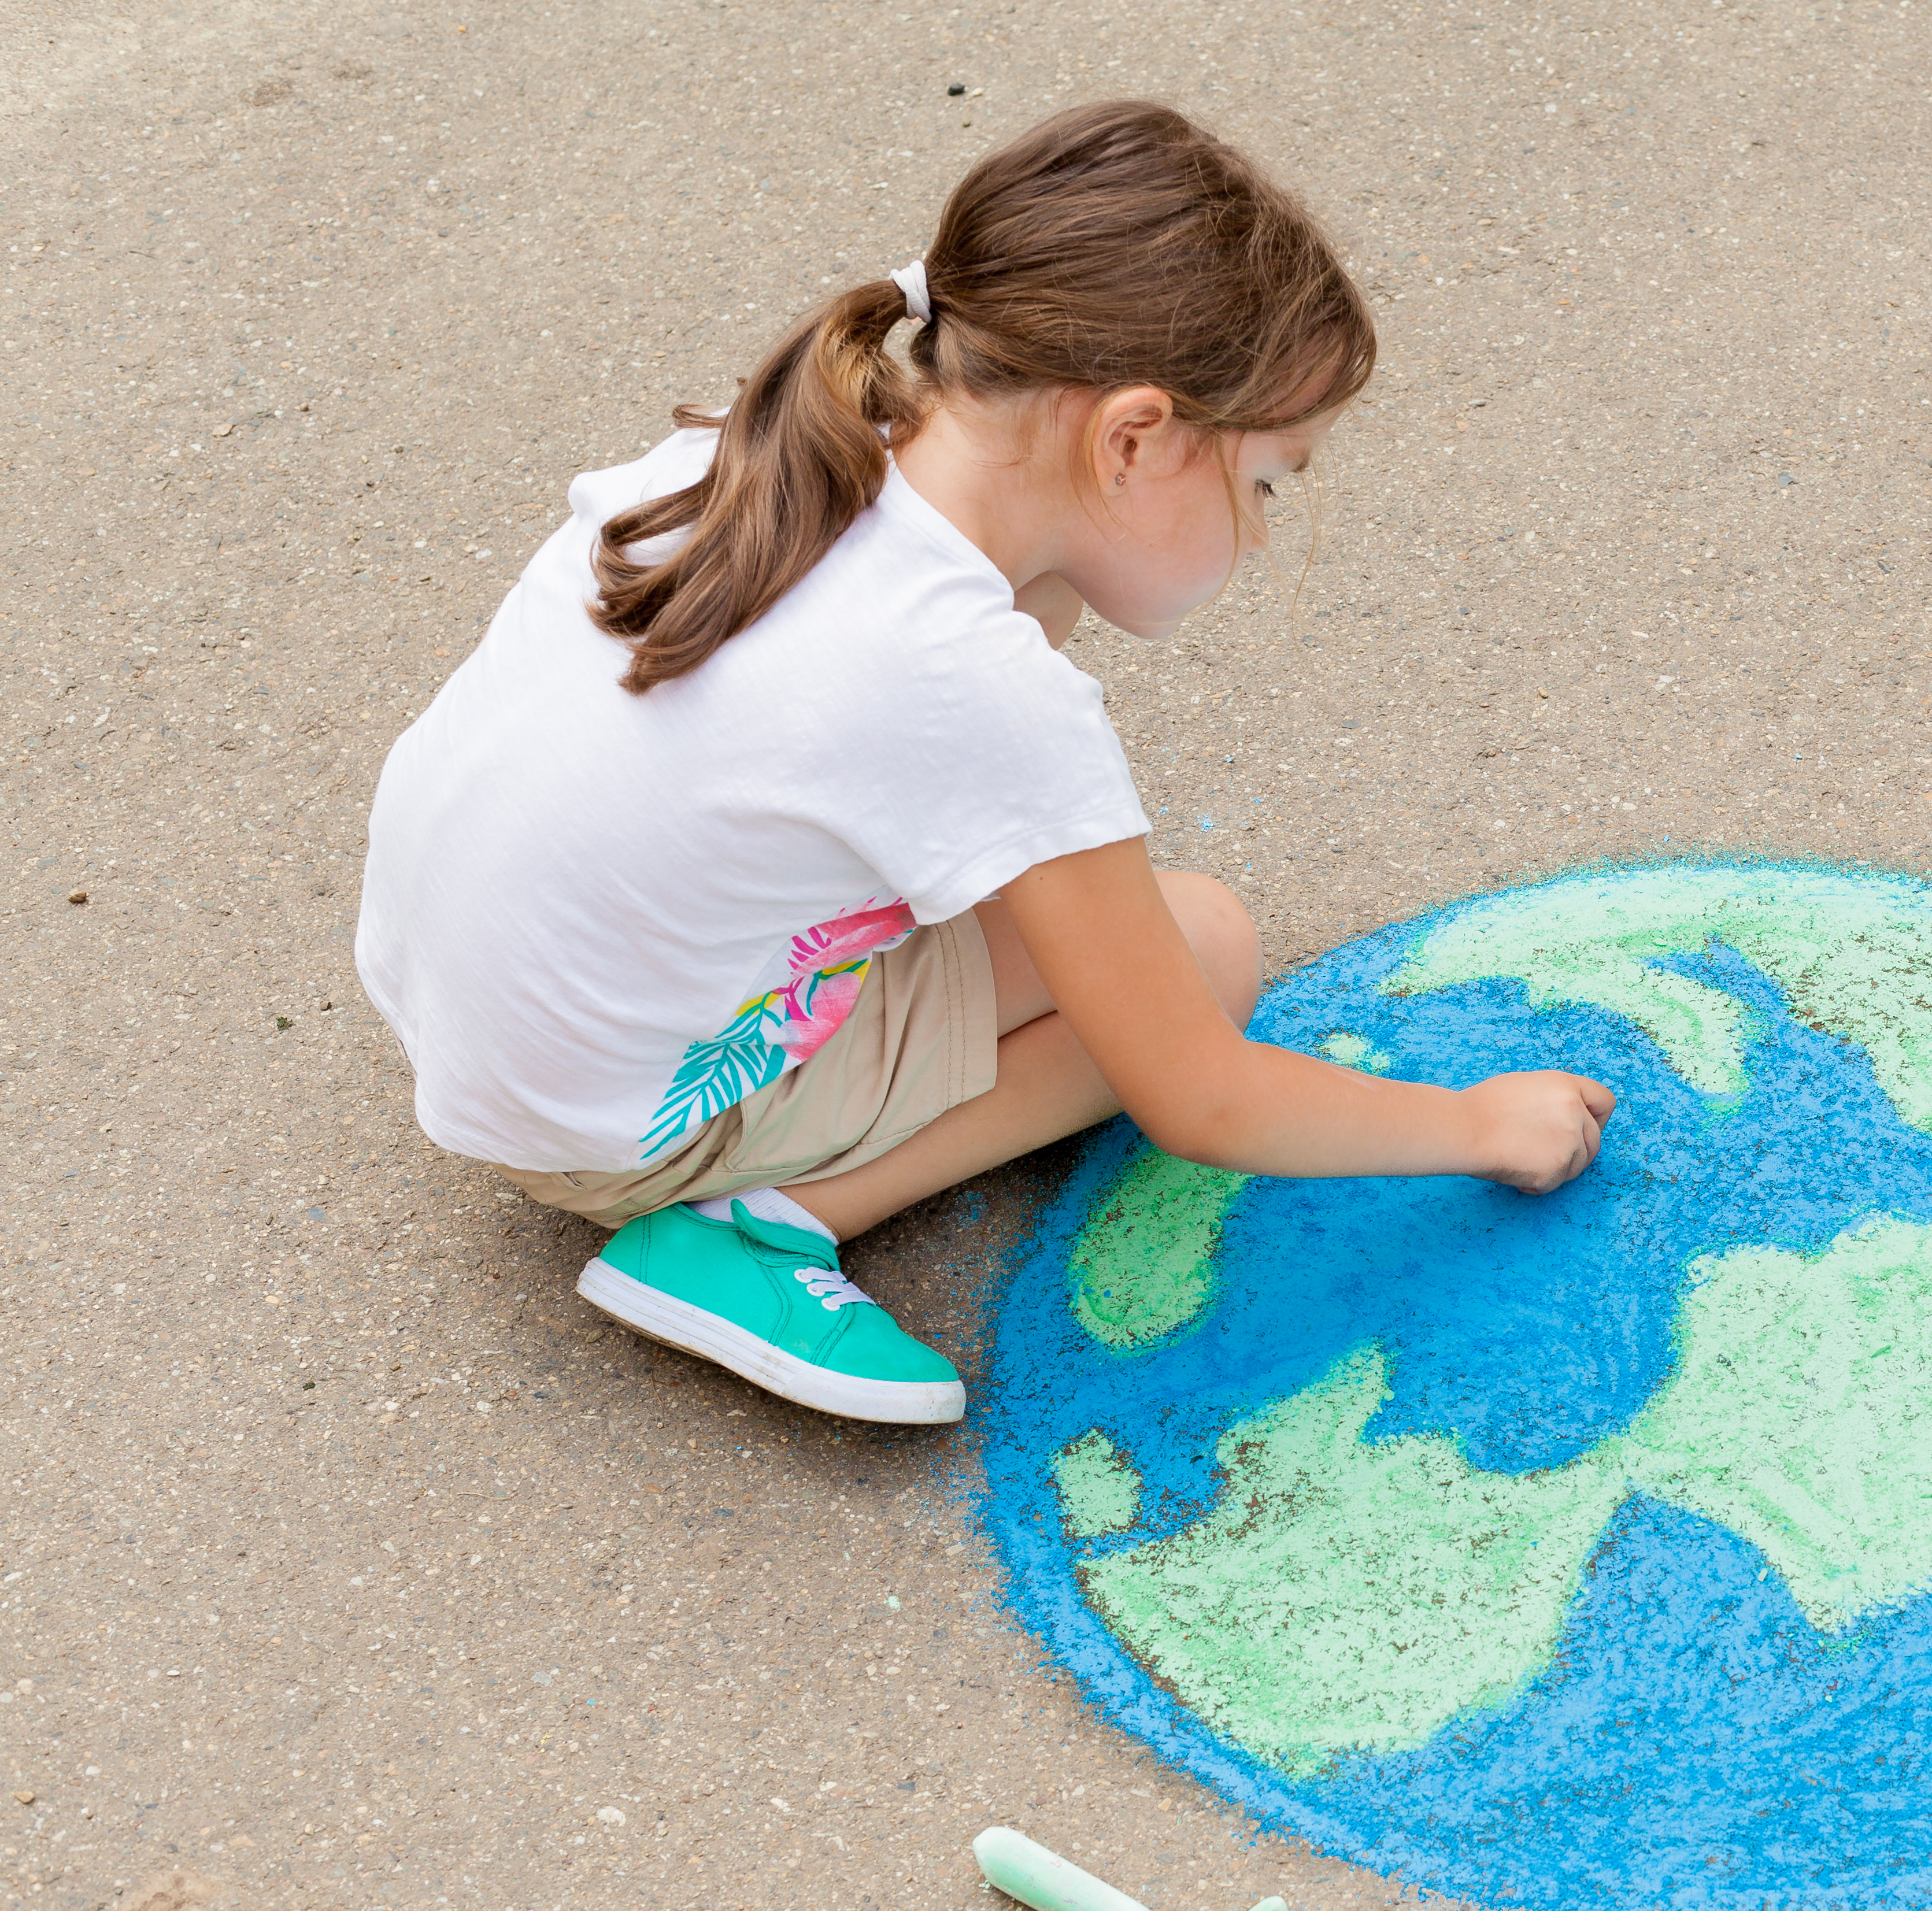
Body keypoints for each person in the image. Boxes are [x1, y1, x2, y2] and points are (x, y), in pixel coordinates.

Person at [355, 102, 1612, 1426]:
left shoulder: (775, 443)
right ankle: (755, 1225)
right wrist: (1482, 1127)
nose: (1259, 531)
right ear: (1132, 439)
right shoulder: (977, 688)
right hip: (608, 1127)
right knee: (1203, 948)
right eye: (1266, 484)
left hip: (467, 1015)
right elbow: (1203, 1096)